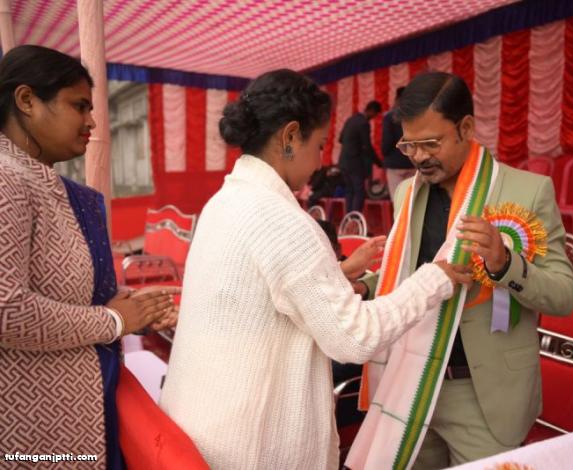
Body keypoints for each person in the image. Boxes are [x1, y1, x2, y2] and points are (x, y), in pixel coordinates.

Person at [159, 69, 473, 470]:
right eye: (320, 145)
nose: (321, 160)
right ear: (290, 137)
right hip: (249, 448)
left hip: (201, 426)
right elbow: (354, 337)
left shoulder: (223, 202)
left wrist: (336, 273)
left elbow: (261, 291)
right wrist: (434, 278)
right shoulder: (282, 220)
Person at [346, 72, 573, 469]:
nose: (419, 157)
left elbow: (565, 295)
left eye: (431, 143)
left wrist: (505, 264)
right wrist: (367, 286)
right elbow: (409, 273)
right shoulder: (407, 193)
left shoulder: (527, 191)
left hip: (482, 392)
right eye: (409, 145)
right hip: (411, 381)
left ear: (466, 128)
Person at [0, 45, 177, 469]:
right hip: (32, 425)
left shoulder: (45, 184)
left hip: (71, 414)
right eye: (79, 106)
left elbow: (66, 292)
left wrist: (132, 309)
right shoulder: (6, 179)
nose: (92, 122)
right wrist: (114, 321)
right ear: (26, 100)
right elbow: (6, 310)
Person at [338, 100, 382, 212]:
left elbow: (340, 139)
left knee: (349, 190)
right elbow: (367, 146)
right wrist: (379, 162)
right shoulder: (363, 123)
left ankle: (349, 217)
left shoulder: (351, 119)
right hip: (355, 163)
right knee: (359, 192)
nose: (374, 117)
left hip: (343, 162)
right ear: (372, 111)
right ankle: (355, 217)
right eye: (375, 114)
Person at [382, 87, 415, 197]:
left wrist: (384, 153)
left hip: (394, 164)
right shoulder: (414, 115)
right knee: (410, 199)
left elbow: (387, 142)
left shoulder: (390, 117)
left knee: (397, 199)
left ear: (397, 98)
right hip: (411, 162)